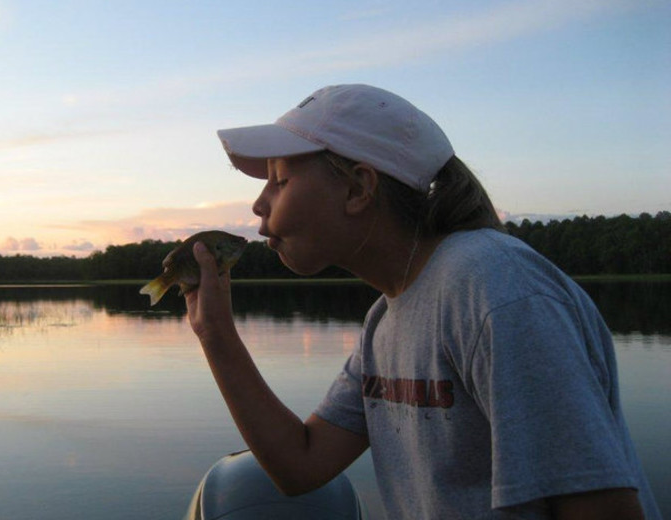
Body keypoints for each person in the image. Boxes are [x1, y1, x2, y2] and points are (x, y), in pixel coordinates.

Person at [184, 84, 660, 519]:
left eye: (279, 181)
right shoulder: (386, 320)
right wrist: (216, 336)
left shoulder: (494, 288)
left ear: (357, 188)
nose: (259, 204)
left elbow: (603, 509)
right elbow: (301, 465)